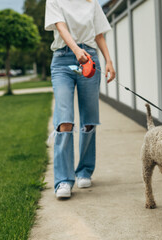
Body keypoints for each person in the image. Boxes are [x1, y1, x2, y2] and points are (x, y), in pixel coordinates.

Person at [45, 0, 115, 198]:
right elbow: (61, 26)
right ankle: (63, 181)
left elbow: (99, 34)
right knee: (65, 120)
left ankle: (84, 171)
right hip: (63, 60)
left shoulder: (91, 3)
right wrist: (76, 50)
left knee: (89, 120)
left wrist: (108, 61)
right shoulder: (54, 1)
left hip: (90, 58)